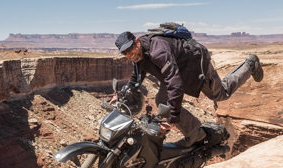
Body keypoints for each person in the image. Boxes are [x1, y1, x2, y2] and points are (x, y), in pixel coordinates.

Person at [113, 31, 264, 147]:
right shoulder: (139, 56)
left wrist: (172, 119)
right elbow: (136, 78)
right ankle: (196, 135)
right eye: (124, 53)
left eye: (130, 49)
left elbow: (175, 84)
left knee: (221, 93)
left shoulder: (158, 51)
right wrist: (120, 96)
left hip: (196, 67)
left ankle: (250, 65)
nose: (129, 54)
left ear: (137, 42)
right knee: (161, 100)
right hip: (177, 71)